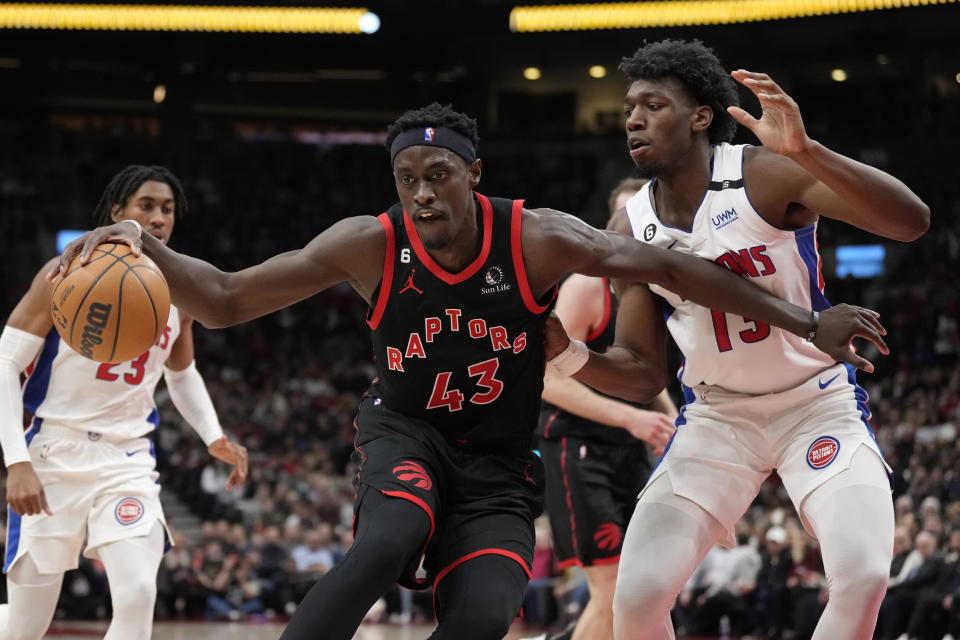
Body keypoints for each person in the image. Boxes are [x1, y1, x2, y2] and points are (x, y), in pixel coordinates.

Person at [55, 104, 887, 640]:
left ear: (473, 175)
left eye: (439, 176)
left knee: (488, 614)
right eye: (407, 180)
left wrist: (808, 319)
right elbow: (230, 299)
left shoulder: (535, 237)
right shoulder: (370, 242)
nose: (421, 194)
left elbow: (669, 267)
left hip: (496, 465)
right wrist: (149, 248)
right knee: (387, 538)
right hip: (406, 433)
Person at [548, 40, 929, 640]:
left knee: (862, 574)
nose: (633, 119)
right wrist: (567, 351)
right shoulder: (630, 226)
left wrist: (806, 151)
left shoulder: (759, 174)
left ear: (701, 116)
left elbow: (910, 222)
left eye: (652, 104)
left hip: (815, 402)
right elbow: (643, 373)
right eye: (628, 109)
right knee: (639, 594)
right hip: (718, 418)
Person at [0, 165, 248, 640]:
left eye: (168, 209)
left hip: (127, 460)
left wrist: (214, 436)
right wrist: (16, 462)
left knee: (137, 595)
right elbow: (6, 363)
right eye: (146, 206)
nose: (159, 218)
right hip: (54, 454)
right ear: (118, 213)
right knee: (25, 627)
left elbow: (181, 372)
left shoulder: (181, 292)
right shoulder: (64, 273)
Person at [529, 177, 677, 640]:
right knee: (612, 588)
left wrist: (674, 420)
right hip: (579, 445)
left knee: (641, 590)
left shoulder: (655, 289)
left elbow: (646, 375)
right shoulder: (588, 287)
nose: (626, 226)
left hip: (627, 448)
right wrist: (631, 418)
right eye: (620, 216)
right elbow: (544, 380)